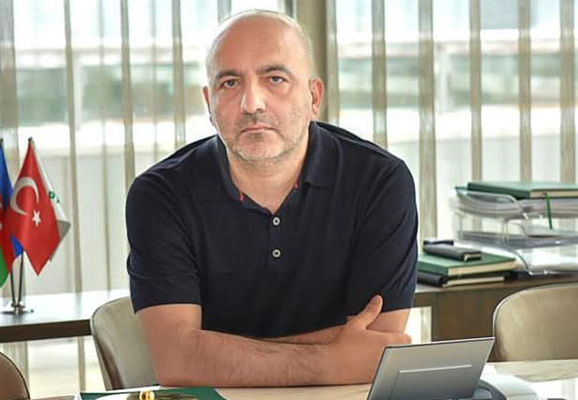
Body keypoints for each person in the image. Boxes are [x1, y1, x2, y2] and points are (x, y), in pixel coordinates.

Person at [126, 10, 417, 387]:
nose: (252, 103)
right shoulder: (160, 195)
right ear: (209, 103)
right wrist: (327, 362)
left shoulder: (380, 182)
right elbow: (177, 361)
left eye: (275, 79)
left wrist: (213, 353)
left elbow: (377, 348)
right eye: (230, 83)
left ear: (313, 97)